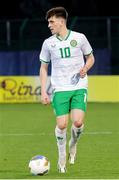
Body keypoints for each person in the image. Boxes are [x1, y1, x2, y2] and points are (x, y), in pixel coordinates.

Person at [39, 6, 95, 173]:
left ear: (61, 21)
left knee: (77, 122)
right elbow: (43, 68)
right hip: (60, 88)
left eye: (51, 21)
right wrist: (43, 91)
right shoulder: (48, 43)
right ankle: (61, 155)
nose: (49, 25)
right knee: (62, 125)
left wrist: (85, 68)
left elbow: (91, 57)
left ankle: (73, 144)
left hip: (79, 86)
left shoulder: (79, 38)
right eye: (48, 22)